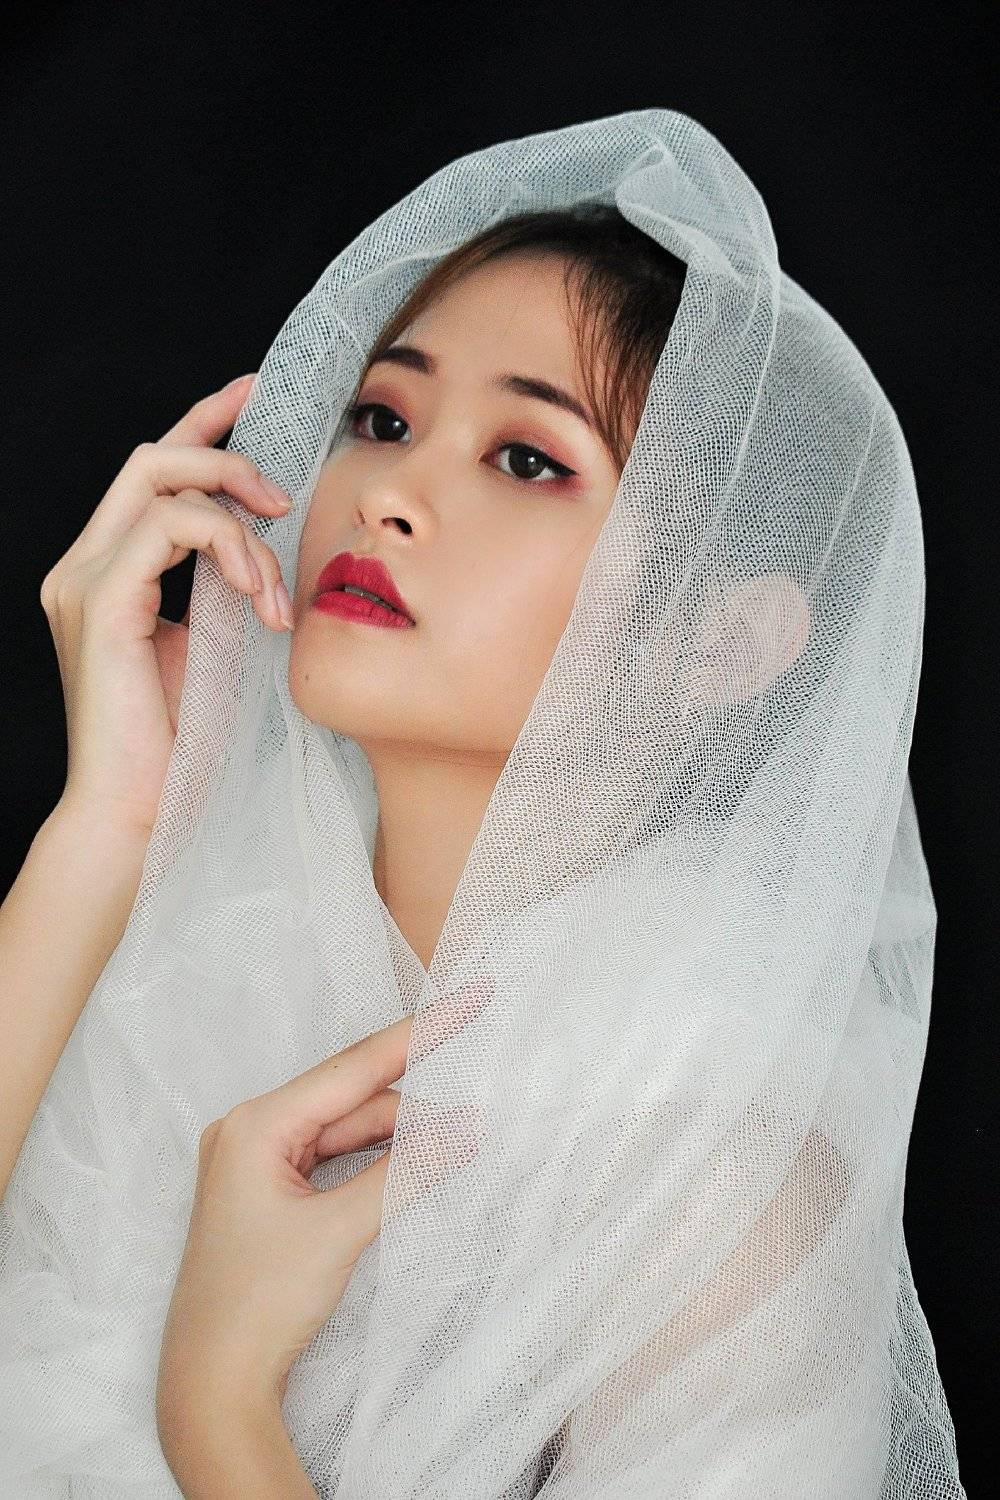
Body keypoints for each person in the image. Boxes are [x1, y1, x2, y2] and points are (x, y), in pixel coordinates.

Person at [0, 108, 966, 1497]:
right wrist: (105, 822)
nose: (388, 492)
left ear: (718, 643)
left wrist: (216, 1405)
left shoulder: (717, 1183)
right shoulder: (216, 951)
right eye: (382, 418)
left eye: (527, 458)